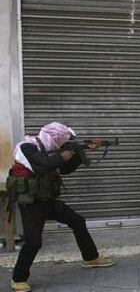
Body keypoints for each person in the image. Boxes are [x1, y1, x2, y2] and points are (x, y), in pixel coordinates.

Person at [7, 122, 114, 292]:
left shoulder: (52, 150)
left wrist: (81, 152)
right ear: (53, 138)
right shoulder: (27, 147)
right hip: (31, 204)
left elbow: (64, 170)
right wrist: (70, 151)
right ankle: (18, 279)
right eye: (61, 141)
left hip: (48, 200)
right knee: (33, 243)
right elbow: (44, 164)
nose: (62, 144)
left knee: (77, 221)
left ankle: (91, 258)